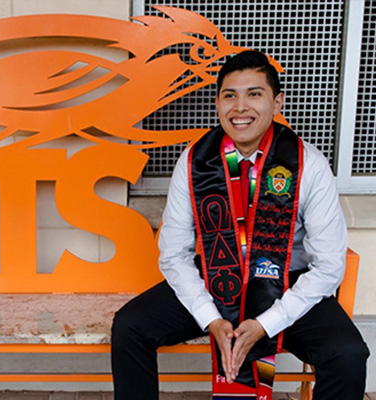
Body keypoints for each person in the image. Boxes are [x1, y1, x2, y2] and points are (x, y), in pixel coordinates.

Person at [111, 50, 369, 400]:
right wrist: (211, 319)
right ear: (217, 102)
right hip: (217, 276)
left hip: (287, 284)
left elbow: (328, 266)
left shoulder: (309, 163)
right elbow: (174, 254)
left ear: (277, 102)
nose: (240, 107)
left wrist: (267, 323)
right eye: (230, 95)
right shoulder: (194, 161)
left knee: (348, 354)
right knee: (130, 327)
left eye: (254, 94)